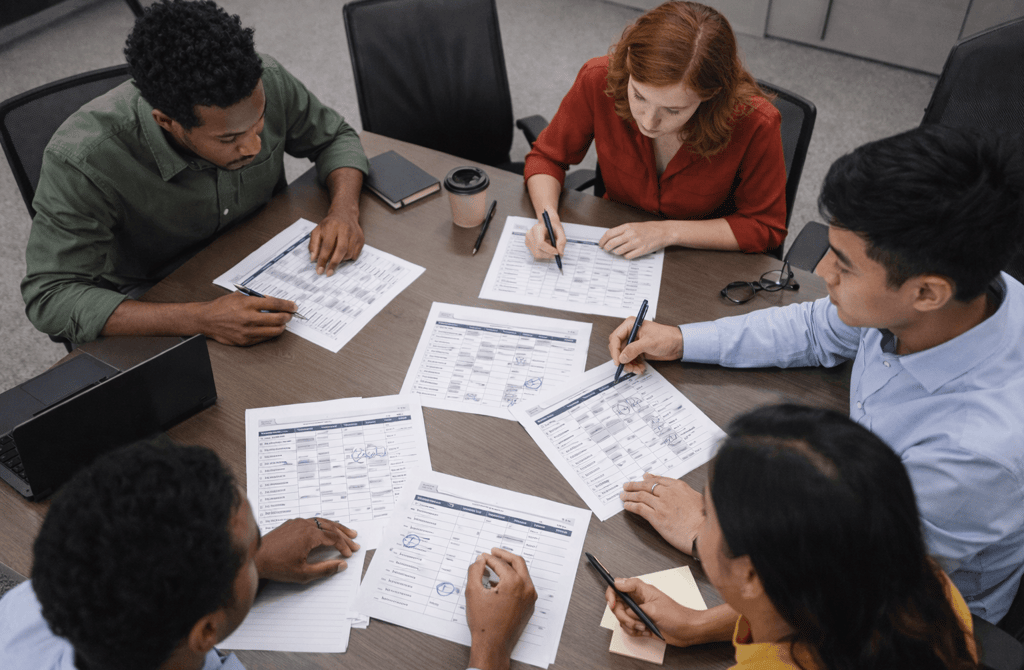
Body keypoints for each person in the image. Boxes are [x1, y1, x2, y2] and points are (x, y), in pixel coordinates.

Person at [609, 124, 1024, 623]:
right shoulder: (956, 292)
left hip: (908, 617)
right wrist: (680, 340)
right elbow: (814, 328)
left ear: (927, 293)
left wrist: (709, 543)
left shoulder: (974, 453)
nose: (822, 271)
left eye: (844, 266)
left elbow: (864, 586)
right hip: (844, 502)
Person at [0, 438, 537, 670]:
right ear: (207, 630)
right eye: (252, 544)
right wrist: (490, 650)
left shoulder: (29, 606)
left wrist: (241, 567)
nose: (263, 546)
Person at [21, 0, 370, 347]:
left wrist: (344, 211)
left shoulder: (267, 78)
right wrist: (201, 319)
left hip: (265, 255)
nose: (253, 146)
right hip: (159, 294)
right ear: (167, 122)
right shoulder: (85, 160)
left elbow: (335, 137)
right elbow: (51, 295)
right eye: (229, 138)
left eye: (259, 122)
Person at [607, 405, 979, 669]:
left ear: (751, 574)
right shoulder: (924, 583)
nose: (697, 525)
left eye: (705, 516)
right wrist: (696, 627)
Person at [523, 1, 787, 262]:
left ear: (711, 94)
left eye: (673, 110)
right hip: (615, 247)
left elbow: (764, 226)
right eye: (639, 96)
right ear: (628, 62)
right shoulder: (598, 78)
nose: (649, 122)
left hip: (700, 261)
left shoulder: (754, 122)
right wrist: (547, 216)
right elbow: (547, 158)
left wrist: (668, 232)